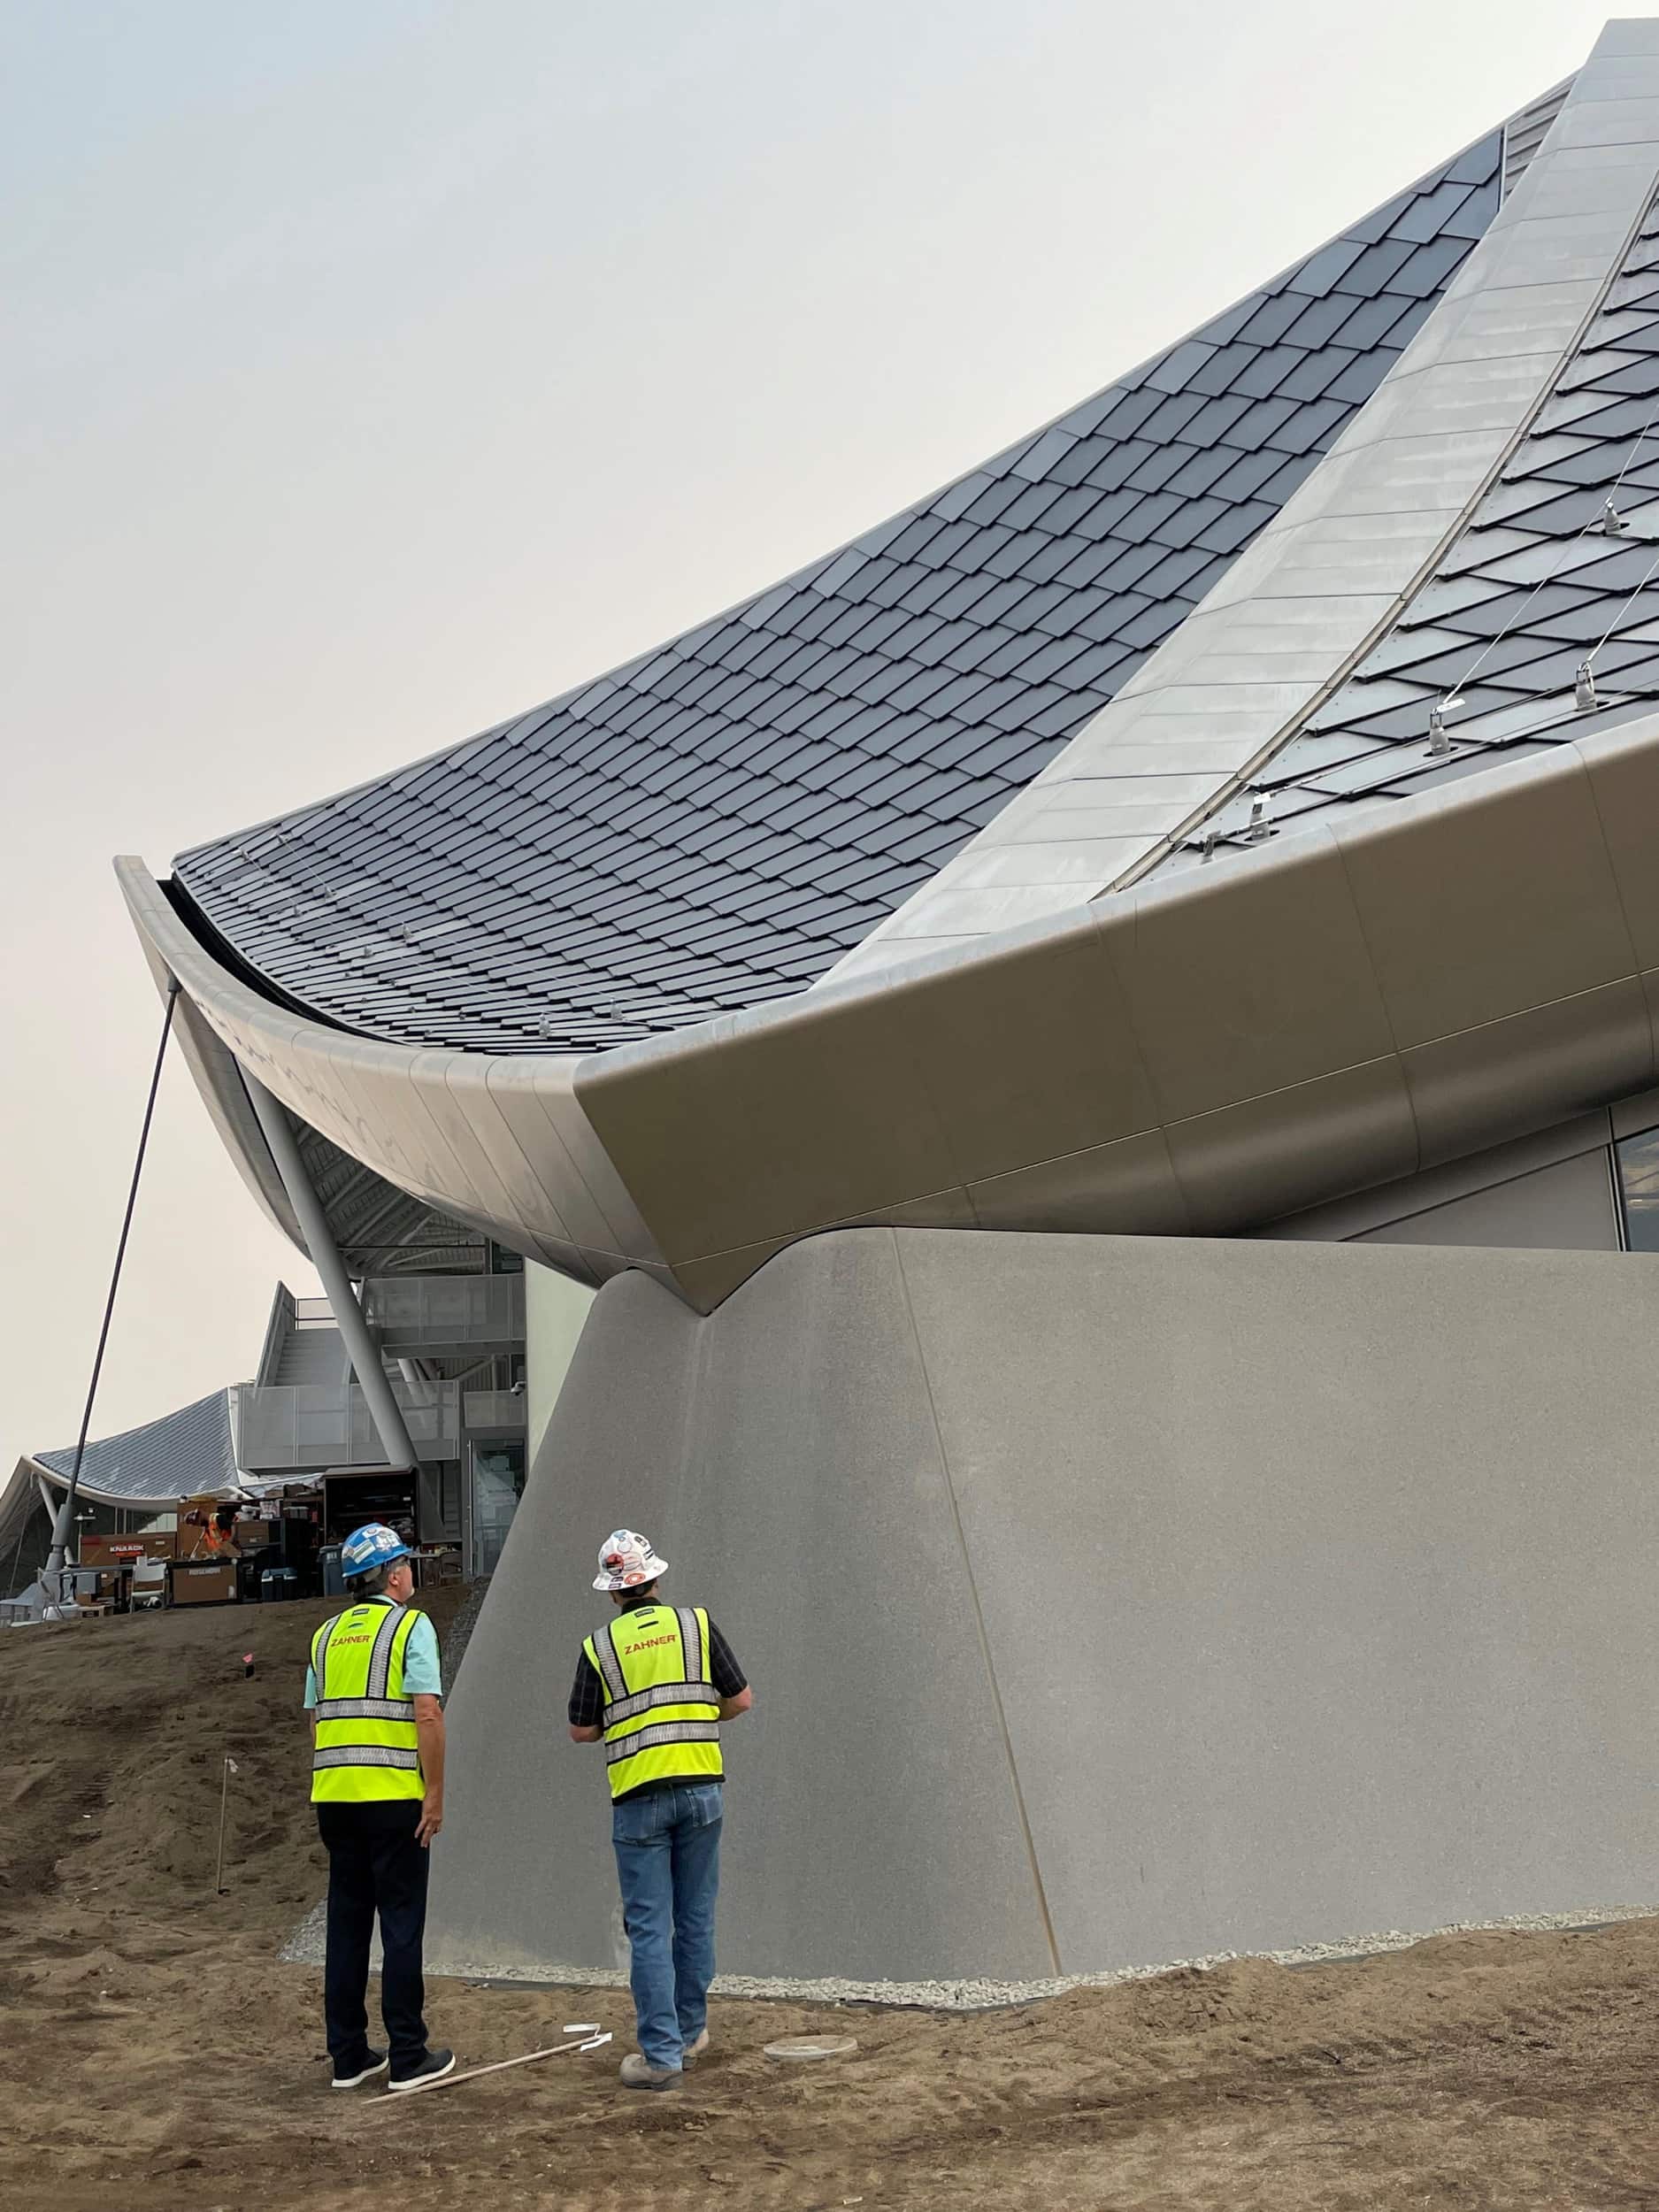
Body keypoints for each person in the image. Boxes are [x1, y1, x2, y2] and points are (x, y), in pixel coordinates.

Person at [568, 1529, 752, 2089]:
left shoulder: (598, 1648)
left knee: (649, 1927)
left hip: (639, 1798)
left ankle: (661, 2056)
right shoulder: (695, 1625)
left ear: (612, 1591)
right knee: (695, 1917)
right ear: (655, 1578)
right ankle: (692, 2032)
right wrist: (693, 1716)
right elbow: (740, 1699)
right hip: (702, 1790)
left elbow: (581, 1729)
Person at [305, 1522, 454, 2093]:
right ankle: (408, 2055)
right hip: (394, 1798)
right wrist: (433, 1794)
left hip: (335, 1800)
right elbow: (427, 1715)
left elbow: (317, 1721)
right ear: (393, 1575)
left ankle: (348, 2056)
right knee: (399, 1926)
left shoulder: (324, 1636)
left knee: (345, 1928)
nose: (411, 1572)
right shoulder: (409, 1627)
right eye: (408, 1564)